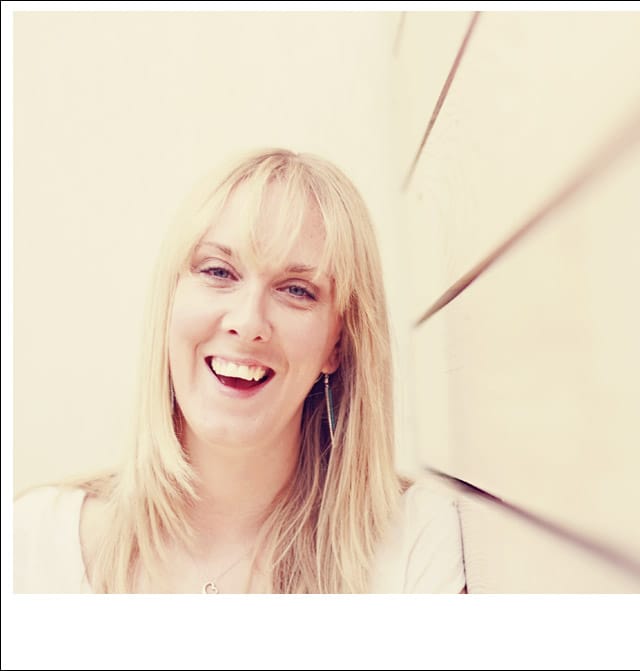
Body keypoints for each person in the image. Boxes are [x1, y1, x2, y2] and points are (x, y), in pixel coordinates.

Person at [14, 149, 467, 594]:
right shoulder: (35, 546)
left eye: (296, 290)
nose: (248, 322)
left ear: (338, 344)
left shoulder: (414, 545)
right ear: (170, 302)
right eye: (219, 271)